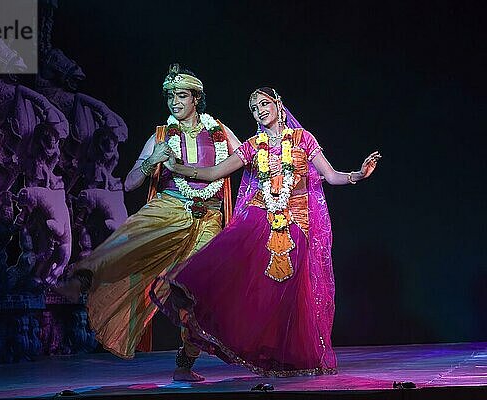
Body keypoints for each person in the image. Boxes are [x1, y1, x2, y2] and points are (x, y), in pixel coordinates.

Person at [151, 87, 381, 376]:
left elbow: (332, 176)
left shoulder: (302, 139)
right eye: (254, 107)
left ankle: (286, 359)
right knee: (245, 287)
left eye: (264, 103)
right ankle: (192, 354)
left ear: (278, 104)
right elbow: (213, 173)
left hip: (297, 225)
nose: (260, 110)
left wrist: (358, 174)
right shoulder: (251, 146)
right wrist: (178, 167)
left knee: (289, 296)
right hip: (259, 223)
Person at [55, 64, 241, 381]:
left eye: (181, 96)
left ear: (196, 99)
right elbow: (129, 183)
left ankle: (185, 363)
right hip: (170, 208)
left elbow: (249, 158)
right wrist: (151, 162)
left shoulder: (219, 132)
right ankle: (85, 275)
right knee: (134, 232)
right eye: (170, 97)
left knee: (195, 291)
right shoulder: (160, 136)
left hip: (208, 217)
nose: (174, 102)